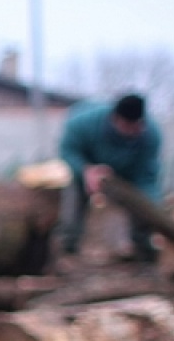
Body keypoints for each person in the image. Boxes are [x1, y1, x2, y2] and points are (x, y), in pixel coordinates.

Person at [56, 93, 164, 263]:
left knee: (141, 207)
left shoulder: (151, 135)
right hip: (87, 167)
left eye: (135, 127)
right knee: (72, 206)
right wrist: (85, 170)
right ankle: (68, 250)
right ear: (114, 118)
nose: (131, 131)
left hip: (128, 174)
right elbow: (67, 151)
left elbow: (148, 176)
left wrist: (154, 207)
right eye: (126, 126)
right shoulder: (84, 122)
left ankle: (144, 251)